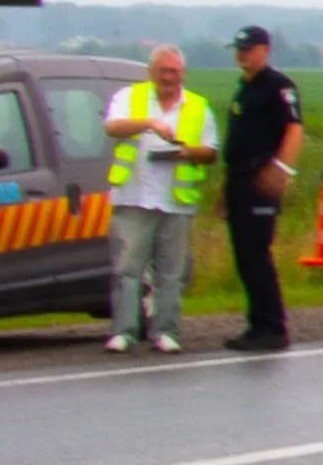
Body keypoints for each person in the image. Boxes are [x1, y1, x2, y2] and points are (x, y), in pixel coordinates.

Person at [102, 42, 217, 355]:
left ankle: (166, 331)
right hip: (134, 195)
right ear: (151, 72)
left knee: (172, 272)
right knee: (127, 269)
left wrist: (186, 152)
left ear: (184, 74)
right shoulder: (130, 97)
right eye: (164, 71)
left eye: (175, 72)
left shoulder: (197, 106)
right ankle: (124, 331)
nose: (169, 77)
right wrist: (149, 124)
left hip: (176, 199)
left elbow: (211, 150)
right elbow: (112, 127)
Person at [218, 21, 305, 348]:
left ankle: (273, 327)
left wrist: (281, 169)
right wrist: (225, 189)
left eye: (248, 49)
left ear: (264, 50)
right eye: (239, 50)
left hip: (261, 179)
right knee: (243, 255)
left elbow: (294, 130)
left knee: (257, 254)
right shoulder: (244, 86)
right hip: (239, 178)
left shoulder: (278, 86)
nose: (242, 56)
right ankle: (256, 325)